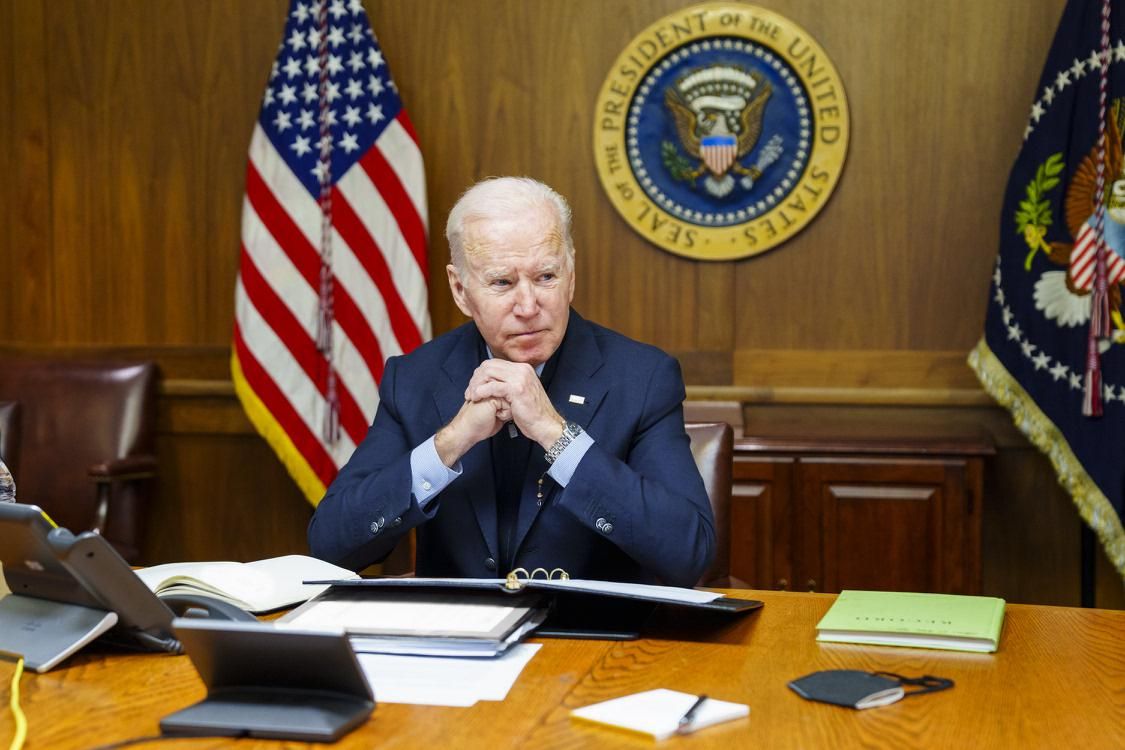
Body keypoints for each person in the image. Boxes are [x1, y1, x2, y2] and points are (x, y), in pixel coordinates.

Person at [307, 177, 715, 586]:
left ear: (570, 274)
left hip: (592, 638)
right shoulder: (414, 378)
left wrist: (557, 435)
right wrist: (450, 442)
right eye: (502, 282)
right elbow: (330, 546)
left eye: (546, 277)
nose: (528, 306)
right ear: (460, 289)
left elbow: (689, 552)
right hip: (460, 640)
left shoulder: (641, 378)